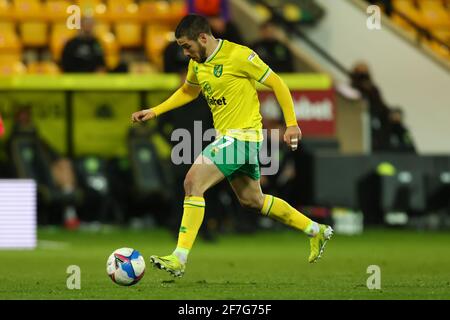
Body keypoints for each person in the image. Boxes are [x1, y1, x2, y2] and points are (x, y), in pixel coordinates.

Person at [131, 14, 333, 277]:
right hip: (230, 138)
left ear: (203, 38)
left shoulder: (239, 56)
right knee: (253, 200)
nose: (185, 53)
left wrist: (292, 123)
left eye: (187, 46)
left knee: (193, 182)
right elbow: (189, 91)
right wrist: (155, 111)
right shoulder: (197, 63)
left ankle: (179, 258)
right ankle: (316, 230)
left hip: (243, 136)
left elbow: (277, 83)